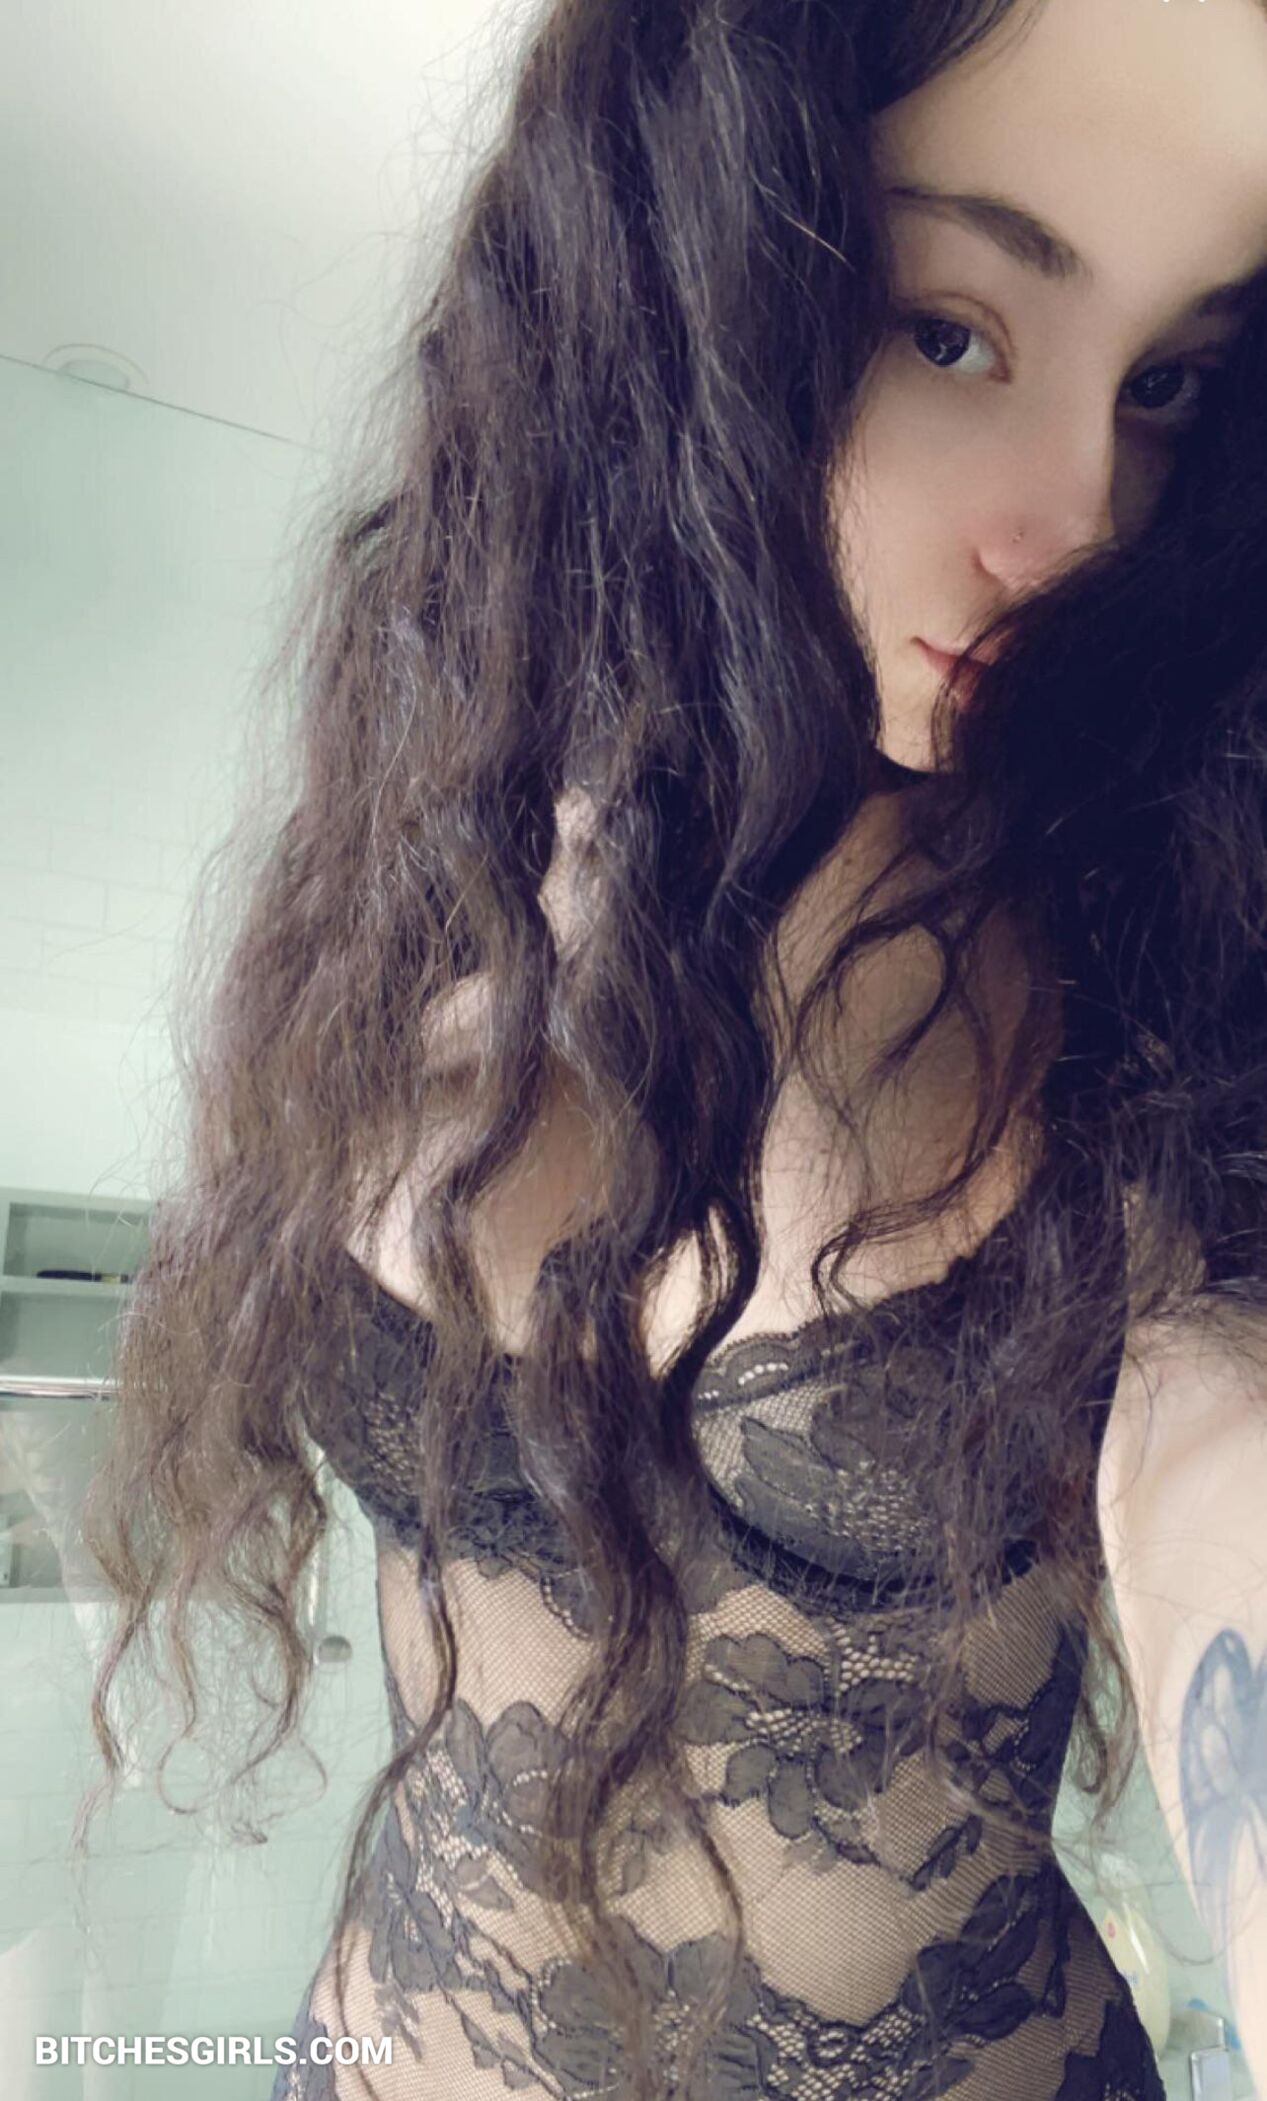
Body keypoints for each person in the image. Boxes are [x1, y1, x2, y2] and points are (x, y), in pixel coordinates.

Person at [76, 0, 1267, 2095]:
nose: (1086, 515)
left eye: (1167, 381)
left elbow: (1224, 1455)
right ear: (683, 278)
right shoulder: (420, 862)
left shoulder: (1148, 938)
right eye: (951, 329)